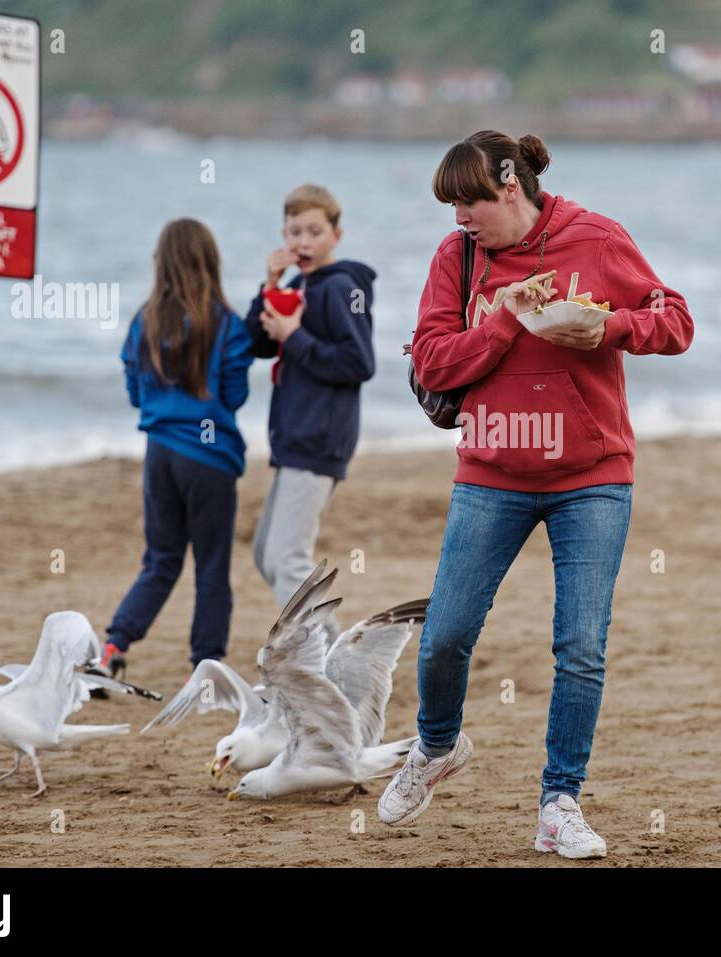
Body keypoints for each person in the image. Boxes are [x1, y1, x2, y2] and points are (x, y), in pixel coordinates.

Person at [377, 131, 693, 859]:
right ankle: (435, 747)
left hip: (593, 475)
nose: (459, 217)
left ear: (510, 186)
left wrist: (606, 326)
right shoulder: (454, 260)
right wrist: (505, 318)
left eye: (469, 201)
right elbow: (430, 359)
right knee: (446, 634)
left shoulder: (597, 237)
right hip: (491, 471)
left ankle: (559, 803)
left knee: (580, 646)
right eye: (451, 205)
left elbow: (675, 321)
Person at [95, 218, 254, 680]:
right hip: (209, 460)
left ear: (160, 264)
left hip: (160, 454)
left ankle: (112, 647)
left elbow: (134, 391)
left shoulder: (144, 321)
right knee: (211, 566)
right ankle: (205, 666)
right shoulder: (227, 324)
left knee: (160, 561)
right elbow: (234, 396)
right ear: (211, 263)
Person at [246, 184, 376, 634]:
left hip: (320, 438)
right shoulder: (301, 285)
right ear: (283, 232)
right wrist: (270, 286)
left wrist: (296, 337)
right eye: (295, 231)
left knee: (288, 560)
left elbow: (360, 363)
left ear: (336, 235)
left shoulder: (340, 288)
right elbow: (258, 343)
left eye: (315, 231)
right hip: (293, 439)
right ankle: (325, 650)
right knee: (267, 555)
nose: (303, 241)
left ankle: (328, 661)